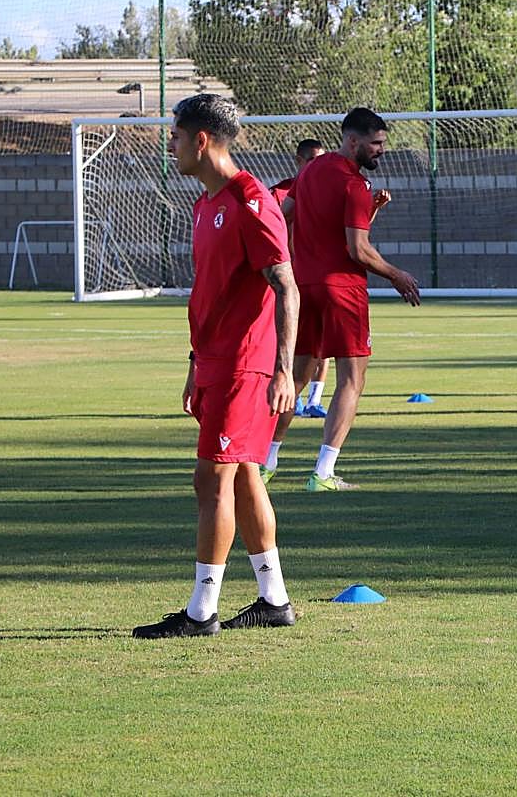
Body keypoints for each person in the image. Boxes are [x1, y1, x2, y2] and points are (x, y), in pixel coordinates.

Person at [133, 94, 299, 638]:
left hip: (246, 368)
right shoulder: (206, 205)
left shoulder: (252, 200)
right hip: (213, 364)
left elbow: (287, 287)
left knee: (211, 480)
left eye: (176, 136)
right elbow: (211, 295)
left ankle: (201, 612)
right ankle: (274, 600)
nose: (172, 146)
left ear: (200, 140)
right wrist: (193, 362)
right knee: (246, 476)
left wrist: (283, 370)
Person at [264, 107, 419, 492]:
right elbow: (357, 251)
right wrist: (397, 275)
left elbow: (284, 219)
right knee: (352, 378)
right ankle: (323, 472)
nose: (381, 150)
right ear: (353, 141)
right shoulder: (354, 184)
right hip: (342, 292)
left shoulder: (311, 171)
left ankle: (265, 462)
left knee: (295, 378)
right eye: (376, 143)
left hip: (304, 287)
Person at [270, 138, 331, 419]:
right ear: (299, 161)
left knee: (323, 344)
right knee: (286, 342)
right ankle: (278, 395)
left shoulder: (326, 191)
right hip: (287, 278)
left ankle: (314, 401)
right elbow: (273, 230)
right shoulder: (280, 193)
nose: (317, 166)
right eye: (312, 160)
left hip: (317, 275)